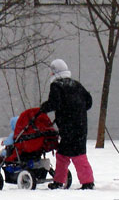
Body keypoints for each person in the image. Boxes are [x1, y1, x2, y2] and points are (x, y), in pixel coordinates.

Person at [39, 58, 95, 189]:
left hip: (67, 127)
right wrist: (78, 110)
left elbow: (55, 103)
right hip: (80, 126)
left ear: (54, 72)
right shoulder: (76, 84)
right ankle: (61, 181)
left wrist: (43, 108)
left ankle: (86, 183)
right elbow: (89, 101)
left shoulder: (57, 86)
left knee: (74, 155)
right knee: (67, 154)